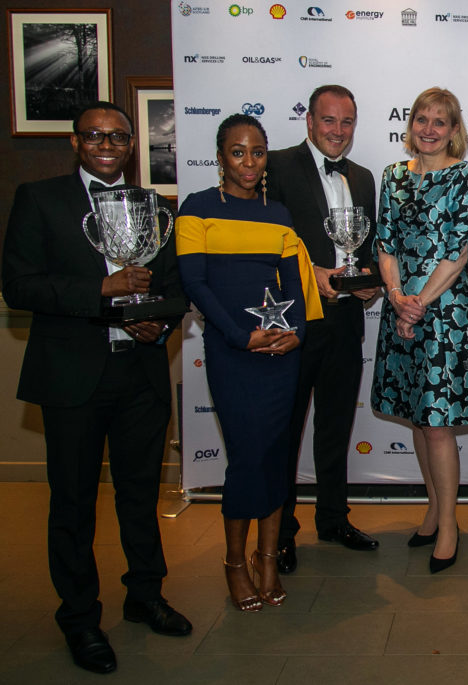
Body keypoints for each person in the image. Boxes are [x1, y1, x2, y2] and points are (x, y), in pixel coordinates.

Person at [2, 101, 191, 674]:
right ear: (75, 142)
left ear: (131, 144)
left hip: (141, 375)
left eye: (117, 136)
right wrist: (102, 290)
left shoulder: (158, 208)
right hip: (74, 376)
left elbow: (179, 286)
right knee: (74, 504)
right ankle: (80, 618)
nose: (106, 144)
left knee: (139, 496)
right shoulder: (41, 200)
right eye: (94, 135)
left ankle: (146, 596)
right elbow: (19, 286)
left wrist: (158, 320)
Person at [176, 114, 322, 613]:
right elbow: (195, 284)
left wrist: (297, 332)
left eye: (257, 152)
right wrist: (241, 337)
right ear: (220, 156)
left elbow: (294, 284)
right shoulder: (196, 209)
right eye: (237, 152)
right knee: (245, 460)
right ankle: (234, 563)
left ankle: (268, 558)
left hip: (279, 356)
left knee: (276, 457)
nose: (248, 161)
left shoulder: (278, 215)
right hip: (233, 354)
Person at [372, 87, 468, 573]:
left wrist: (417, 303)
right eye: (421, 119)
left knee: (438, 425)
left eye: (439, 122)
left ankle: (449, 525)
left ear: (454, 130)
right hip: (402, 308)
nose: (428, 129)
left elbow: (459, 252)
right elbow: (385, 242)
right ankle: (434, 508)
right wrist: (397, 297)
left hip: (444, 315)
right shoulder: (393, 175)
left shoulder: (467, 176)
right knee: (419, 419)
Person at [266, 85, 380, 575]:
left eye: (347, 122)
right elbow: (263, 243)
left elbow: (369, 248)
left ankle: (333, 518)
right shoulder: (276, 166)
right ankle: (282, 533)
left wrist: (371, 284)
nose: (338, 131)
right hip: (293, 322)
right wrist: (309, 275)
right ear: (309, 121)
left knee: (335, 429)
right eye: (329, 121)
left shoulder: (364, 177)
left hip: (344, 324)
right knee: (286, 434)